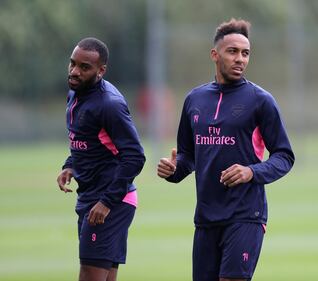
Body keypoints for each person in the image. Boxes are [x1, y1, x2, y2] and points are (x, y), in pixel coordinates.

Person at [157, 19, 295, 281]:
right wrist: (173, 170)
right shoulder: (194, 100)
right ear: (215, 54)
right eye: (232, 51)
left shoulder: (260, 101)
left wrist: (251, 172)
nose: (240, 59)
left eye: (245, 53)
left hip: (246, 215)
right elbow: (188, 157)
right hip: (206, 216)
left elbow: (284, 156)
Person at [57, 37, 146, 281]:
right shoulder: (75, 93)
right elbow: (86, 138)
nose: (75, 71)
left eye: (84, 67)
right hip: (92, 197)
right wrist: (71, 165)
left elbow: (135, 157)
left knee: (89, 275)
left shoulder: (109, 104)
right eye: (72, 64)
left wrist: (107, 202)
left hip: (110, 201)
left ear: (101, 71)